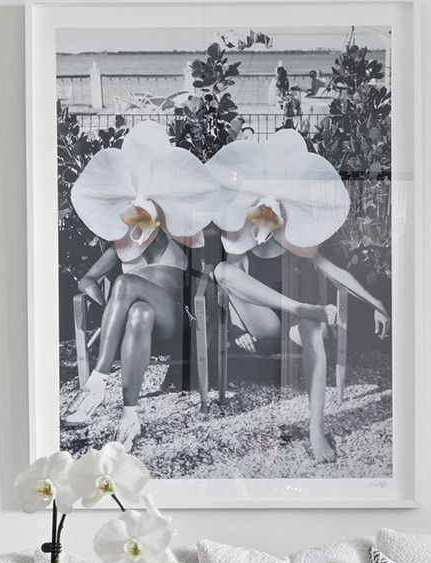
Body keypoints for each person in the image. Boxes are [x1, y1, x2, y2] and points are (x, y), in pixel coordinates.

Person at [206, 129, 390, 463]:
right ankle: (303, 308)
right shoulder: (240, 242)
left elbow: (338, 273)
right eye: (259, 210)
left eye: (271, 213)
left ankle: (316, 430)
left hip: (297, 327)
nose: (264, 218)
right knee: (221, 271)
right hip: (266, 327)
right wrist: (238, 329)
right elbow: (231, 287)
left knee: (313, 328)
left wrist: (376, 303)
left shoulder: (295, 243)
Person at [62, 122, 224, 450]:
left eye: (145, 215)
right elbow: (87, 279)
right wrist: (99, 299)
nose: (140, 222)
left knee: (124, 281)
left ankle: (97, 382)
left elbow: (208, 233)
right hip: (141, 326)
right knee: (137, 315)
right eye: (133, 215)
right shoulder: (121, 246)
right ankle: (129, 416)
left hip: (176, 323)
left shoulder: (181, 235)